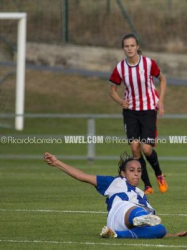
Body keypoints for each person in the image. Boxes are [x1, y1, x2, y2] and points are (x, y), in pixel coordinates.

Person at [43, 152, 166, 239]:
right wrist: (57, 162)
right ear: (123, 173)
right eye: (132, 170)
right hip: (119, 212)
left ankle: (116, 234)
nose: (136, 174)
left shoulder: (141, 194)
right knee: (134, 209)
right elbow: (82, 176)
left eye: (139, 171)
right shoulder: (115, 182)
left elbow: (153, 225)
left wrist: (171, 235)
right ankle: (139, 218)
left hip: (118, 227)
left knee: (161, 230)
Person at [109, 33, 168, 195]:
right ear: (123, 48)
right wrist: (121, 101)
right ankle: (147, 185)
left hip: (148, 109)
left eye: (132, 46)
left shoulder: (148, 63)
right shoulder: (120, 68)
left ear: (138, 47)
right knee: (135, 148)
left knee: (146, 148)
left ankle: (159, 174)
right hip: (130, 112)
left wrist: (160, 101)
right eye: (126, 46)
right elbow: (112, 90)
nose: (129, 49)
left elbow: (162, 79)